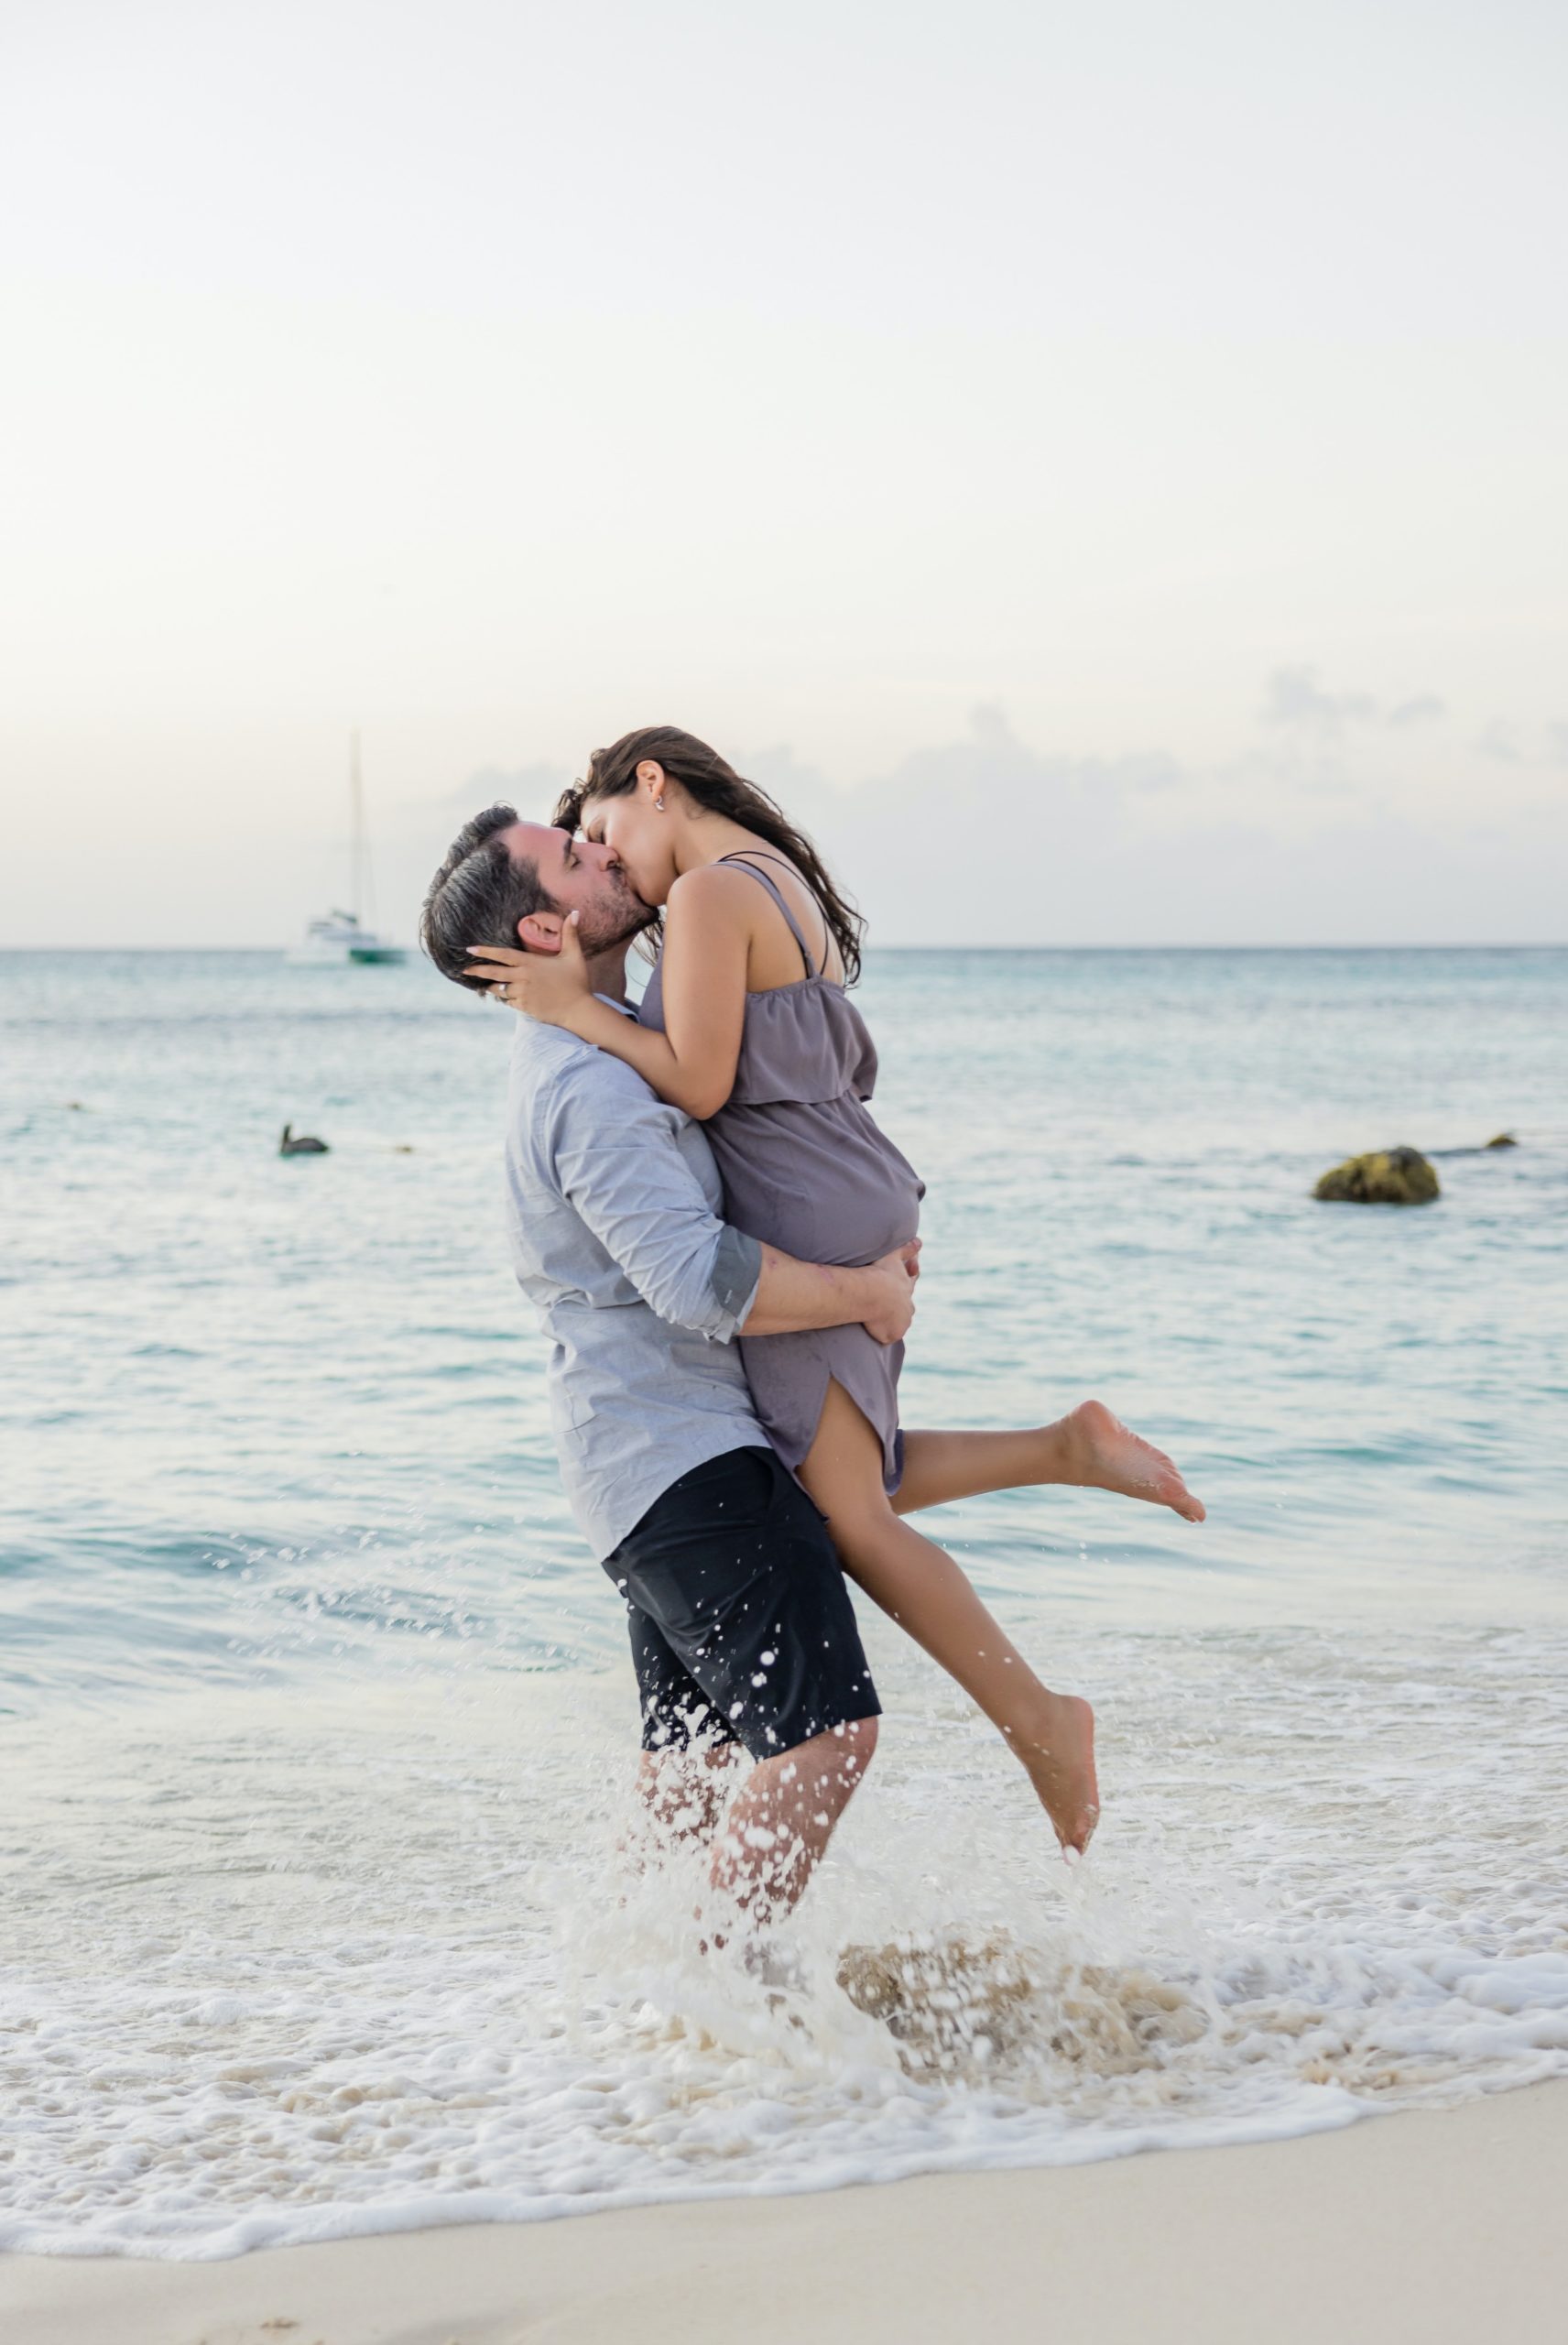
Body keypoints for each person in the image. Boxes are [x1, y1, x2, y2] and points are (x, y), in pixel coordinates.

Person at [457, 738, 1205, 1858]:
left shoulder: (703, 903)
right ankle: (1062, 1450)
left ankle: (1041, 1722)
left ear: (651, 781)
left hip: (798, 1219)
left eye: (602, 833)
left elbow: (703, 1103)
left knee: (846, 1520)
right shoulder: (755, 888)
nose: (610, 861)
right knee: (838, 1477)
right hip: (828, 1187)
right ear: (541, 930)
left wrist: (576, 1007)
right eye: (583, 856)